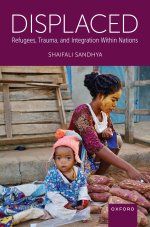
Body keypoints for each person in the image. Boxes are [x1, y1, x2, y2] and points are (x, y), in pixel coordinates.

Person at [69, 72, 149, 182]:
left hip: (90, 156)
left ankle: (98, 176)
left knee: (116, 139)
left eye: (117, 100)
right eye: (113, 99)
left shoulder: (105, 113)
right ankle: (79, 177)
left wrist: (105, 133)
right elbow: (94, 144)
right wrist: (129, 168)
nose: (115, 104)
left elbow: (110, 136)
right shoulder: (82, 112)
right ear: (101, 96)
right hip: (73, 157)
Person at [44, 129, 100, 219]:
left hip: (75, 201)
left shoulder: (79, 172)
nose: (63, 161)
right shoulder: (52, 174)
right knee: (53, 210)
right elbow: (52, 193)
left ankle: (82, 208)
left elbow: (83, 186)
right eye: (58, 158)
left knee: (86, 199)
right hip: (59, 203)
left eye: (68, 158)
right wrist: (65, 204)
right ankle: (81, 212)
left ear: (75, 159)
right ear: (54, 159)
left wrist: (83, 200)